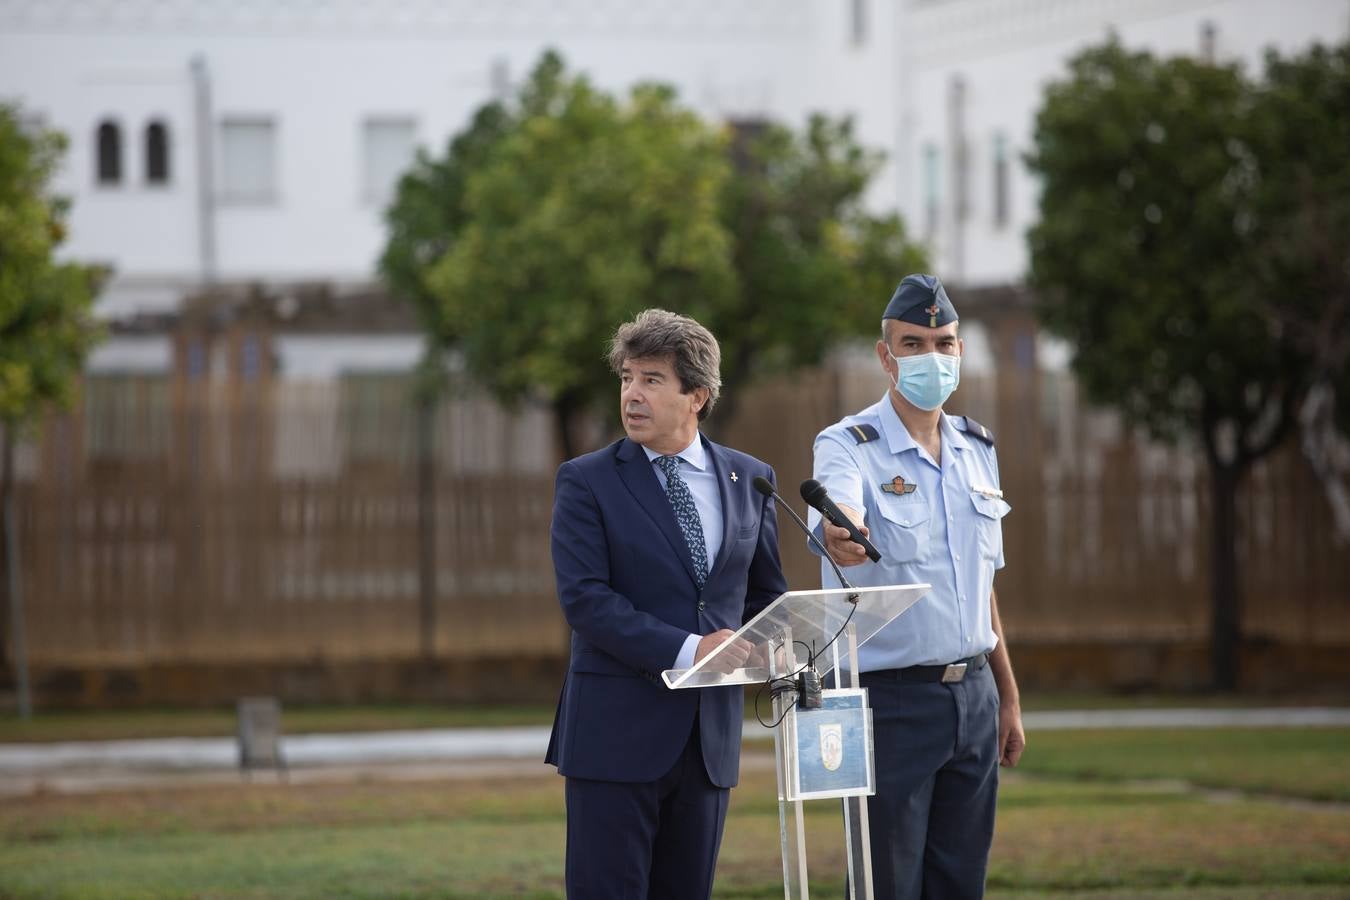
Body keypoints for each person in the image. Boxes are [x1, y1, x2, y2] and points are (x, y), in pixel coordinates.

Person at [546, 308, 788, 899]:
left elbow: (766, 594)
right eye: (628, 377)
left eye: (652, 380)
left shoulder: (751, 479)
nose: (632, 394)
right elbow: (585, 601)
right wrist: (690, 650)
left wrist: (777, 642)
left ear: (697, 396)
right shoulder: (587, 480)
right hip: (614, 736)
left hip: (709, 743)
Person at [808, 274, 1026, 899]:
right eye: (913, 343)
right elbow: (839, 517)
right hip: (891, 705)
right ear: (886, 355)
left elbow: (983, 589)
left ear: (960, 351)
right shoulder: (849, 445)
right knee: (884, 884)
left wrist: (1006, 697)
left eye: (945, 342)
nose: (932, 356)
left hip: (974, 698)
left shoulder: (976, 448)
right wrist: (841, 530)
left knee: (961, 883)